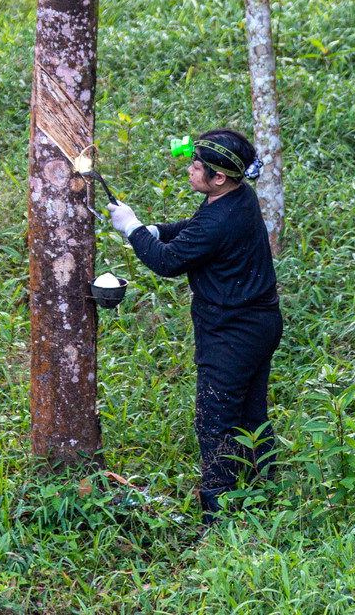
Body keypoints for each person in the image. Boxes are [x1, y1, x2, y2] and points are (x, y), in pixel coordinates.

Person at [108, 129, 281, 525]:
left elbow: (168, 263)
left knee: (214, 422)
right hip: (260, 323)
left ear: (219, 177)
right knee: (251, 413)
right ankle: (264, 490)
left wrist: (133, 229)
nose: (189, 170)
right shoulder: (236, 197)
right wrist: (157, 231)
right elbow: (194, 228)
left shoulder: (220, 219)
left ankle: (217, 521)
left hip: (232, 334)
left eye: (197, 166)